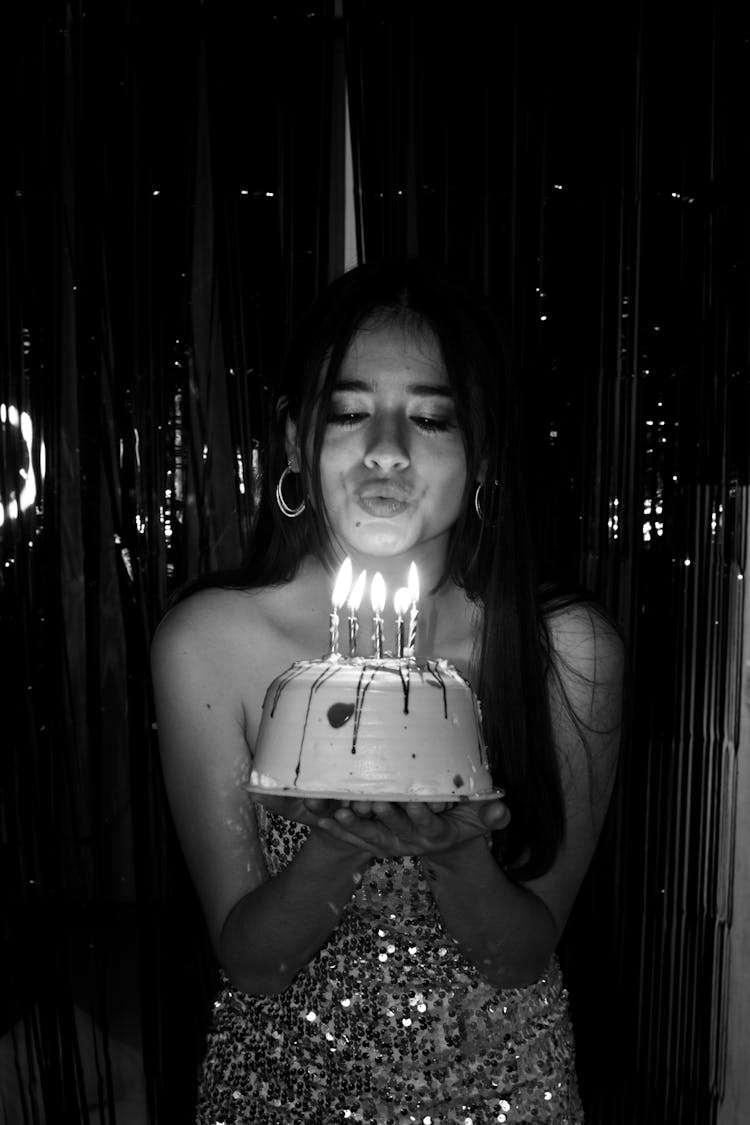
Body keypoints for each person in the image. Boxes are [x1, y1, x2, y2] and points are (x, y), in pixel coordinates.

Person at [150, 259, 625, 1124]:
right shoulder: (211, 644)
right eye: (349, 411)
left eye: (433, 417)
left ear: (481, 446)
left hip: (503, 1089)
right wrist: (336, 846)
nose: (388, 451)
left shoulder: (566, 648)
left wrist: (454, 851)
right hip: (279, 1091)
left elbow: (521, 951)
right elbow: (253, 962)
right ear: (296, 438)